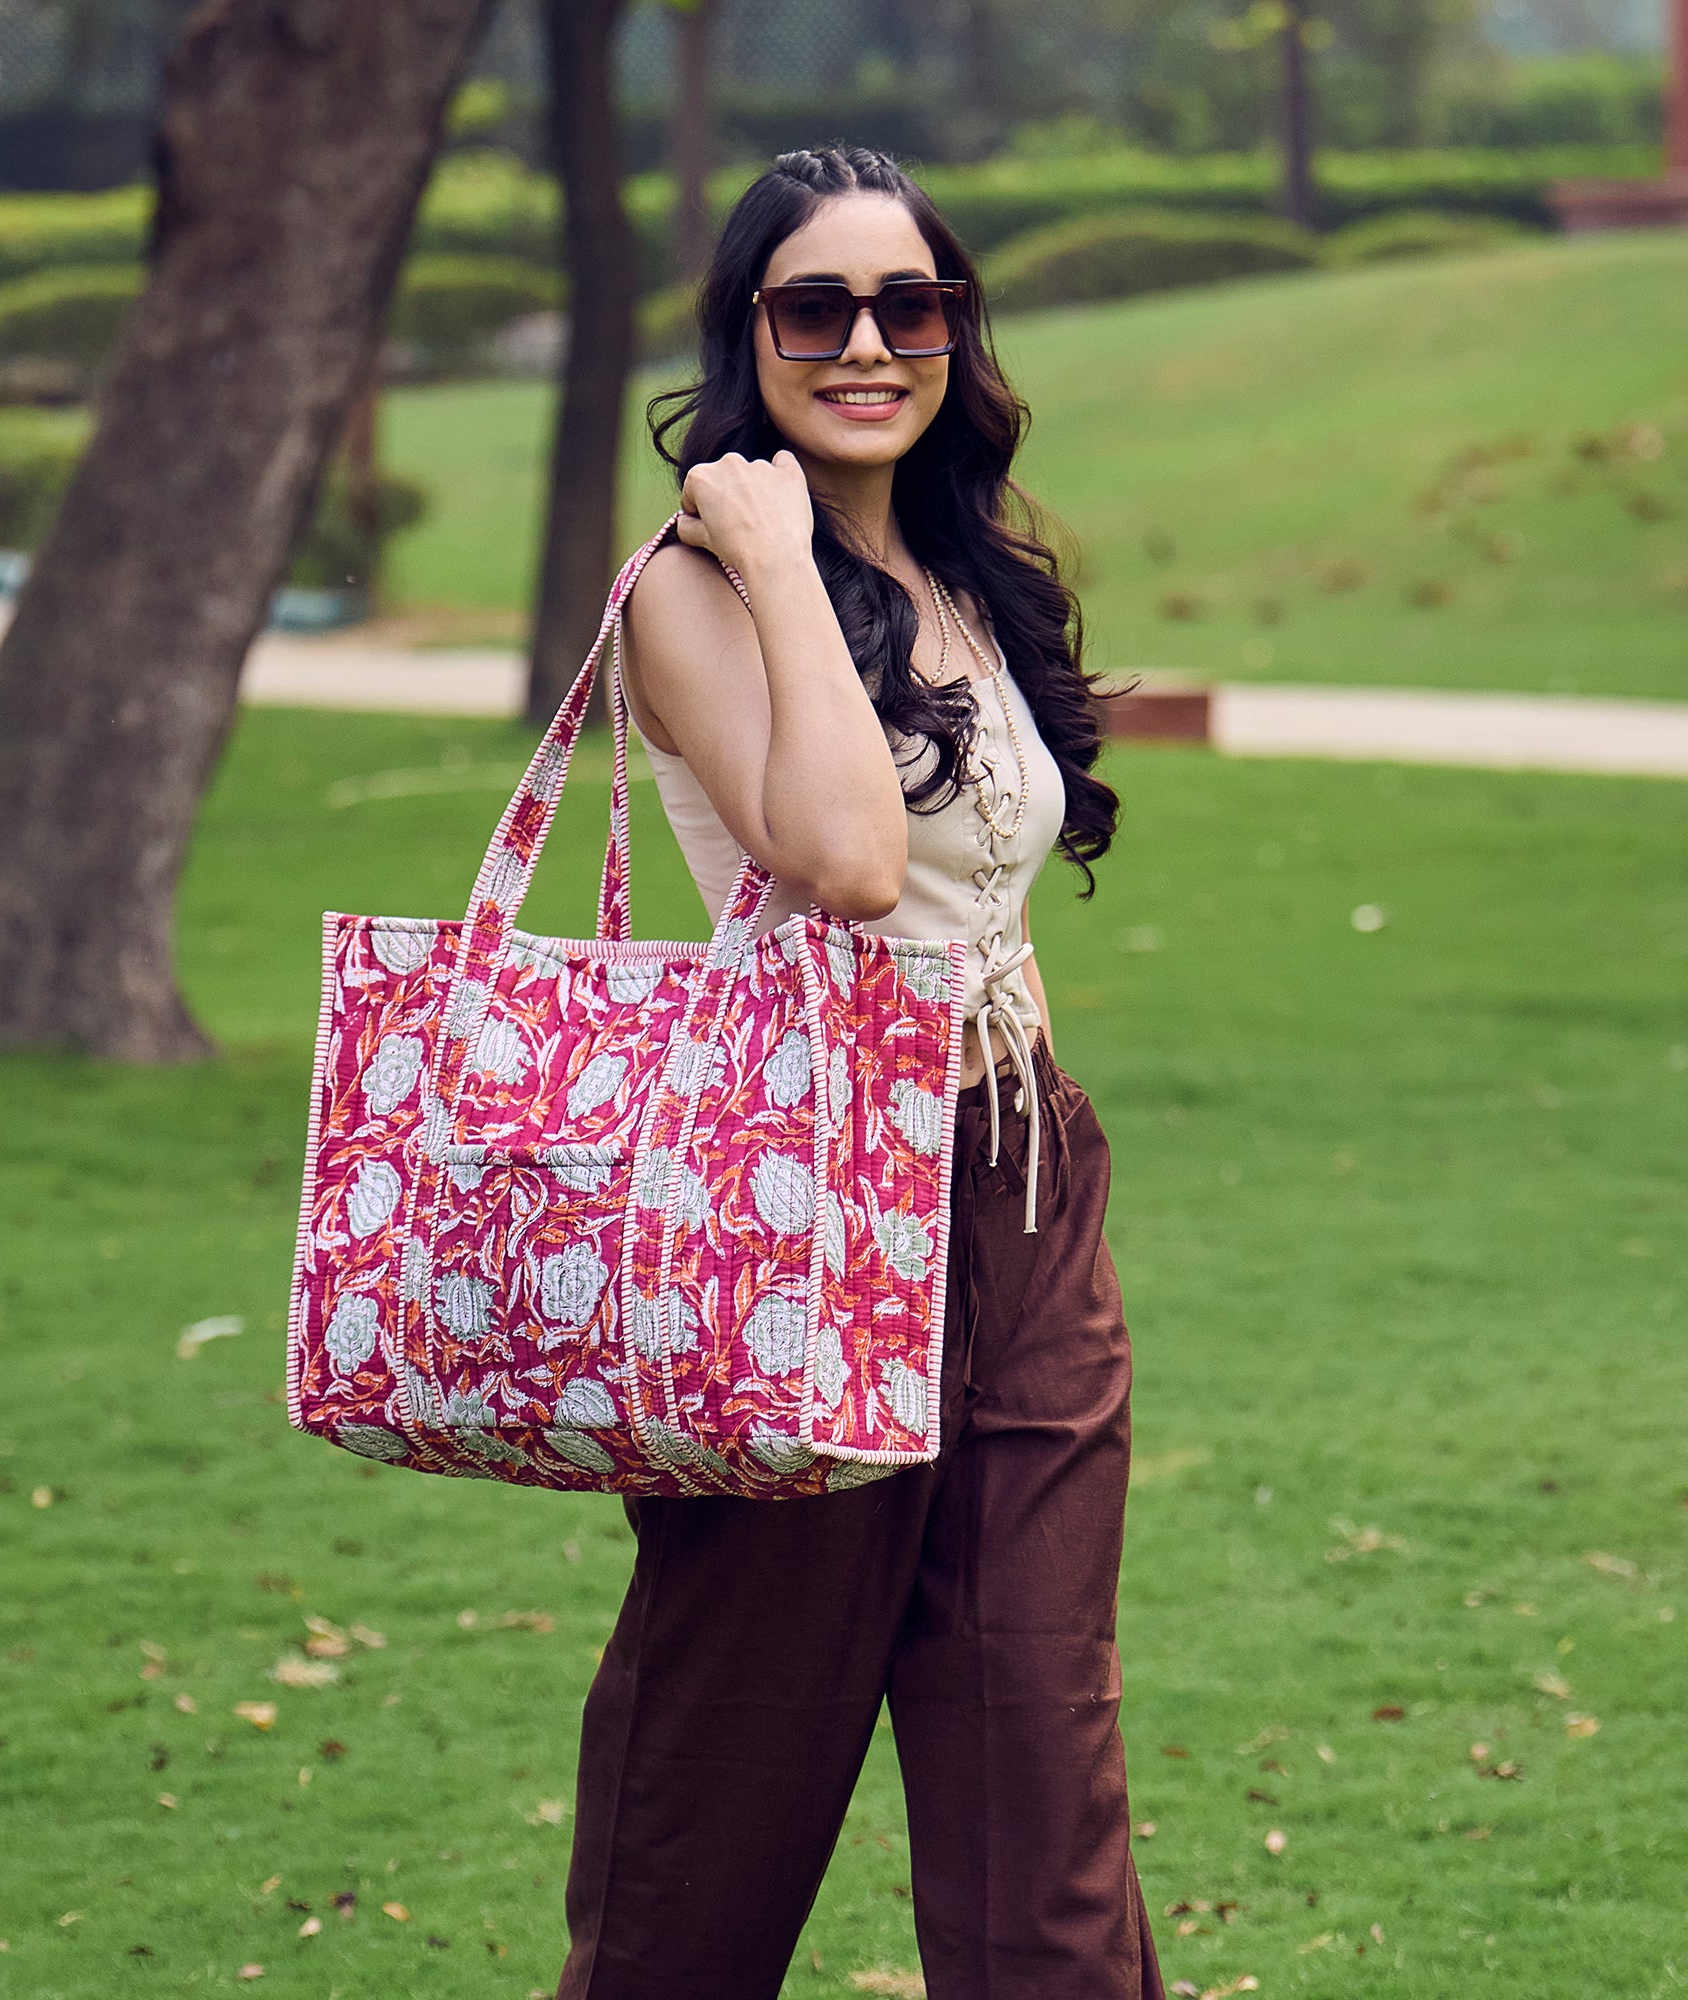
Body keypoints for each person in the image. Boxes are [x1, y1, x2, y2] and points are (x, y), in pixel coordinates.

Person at [557, 145, 1166, 2000]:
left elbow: (980, 878)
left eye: (911, 305)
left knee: (1038, 1747)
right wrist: (764, 551)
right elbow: (841, 854)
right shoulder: (694, 587)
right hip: (800, 1202)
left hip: (1019, 1178)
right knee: (729, 1769)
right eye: (816, 307)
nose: (868, 344)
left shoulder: (968, 557)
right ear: (750, 337)